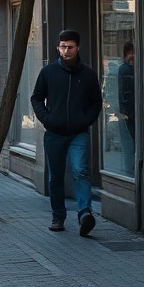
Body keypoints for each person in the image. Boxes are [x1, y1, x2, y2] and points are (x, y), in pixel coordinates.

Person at [31, 29, 102, 235]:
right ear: (57, 48)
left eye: (70, 47)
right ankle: (58, 216)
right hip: (54, 133)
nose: (66, 51)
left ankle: (84, 214)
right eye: (62, 47)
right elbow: (36, 98)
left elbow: (96, 102)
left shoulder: (88, 74)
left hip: (78, 133)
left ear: (77, 48)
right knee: (56, 177)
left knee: (80, 171)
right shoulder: (48, 72)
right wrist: (47, 119)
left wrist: (85, 120)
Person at [116, 41, 135, 175]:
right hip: (130, 112)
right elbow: (124, 92)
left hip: (129, 112)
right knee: (130, 142)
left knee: (131, 142)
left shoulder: (127, 69)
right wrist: (124, 111)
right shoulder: (125, 69)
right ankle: (130, 170)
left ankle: (130, 169)